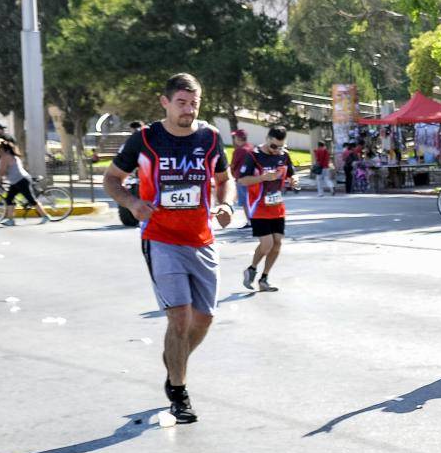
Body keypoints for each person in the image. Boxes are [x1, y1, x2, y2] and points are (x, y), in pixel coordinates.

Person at [104, 73, 234, 424]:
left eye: (194, 104)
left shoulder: (210, 137)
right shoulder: (145, 139)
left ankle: (175, 362)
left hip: (202, 239)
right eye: (181, 103)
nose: (188, 110)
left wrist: (226, 204)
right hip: (161, 238)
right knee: (179, 317)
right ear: (165, 102)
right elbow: (111, 179)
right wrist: (132, 202)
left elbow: (225, 180)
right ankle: (179, 392)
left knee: (204, 319)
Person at [236, 125, 298, 292]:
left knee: (277, 244)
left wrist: (294, 180)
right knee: (267, 244)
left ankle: (264, 279)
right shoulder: (253, 155)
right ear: (267, 139)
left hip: (277, 207)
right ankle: (252, 269)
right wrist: (262, 178)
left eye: (281, 147)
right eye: (274, 146)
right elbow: (242, 180)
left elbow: (292, 173)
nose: (277, 150)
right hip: (258, 207)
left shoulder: (284, 155)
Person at [0, 138, 43, 221]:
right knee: (9, 199)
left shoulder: (5, 157)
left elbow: (2, 171)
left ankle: (45, 216)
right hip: (16, 181)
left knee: (31, 200)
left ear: (1, 148)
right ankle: (10, 220)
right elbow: (6, 171)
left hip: (21, 180)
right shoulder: (10, 155)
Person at [229, 128, 254, 224]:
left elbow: (233, 165)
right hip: (253, 178)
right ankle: (256, 219)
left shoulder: (239, 151)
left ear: (239, 138)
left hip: (241, 179)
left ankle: (250, 221)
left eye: (235, 137)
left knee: (244, 201)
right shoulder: (251, 148)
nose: (234, 139)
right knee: (252, 199)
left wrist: (231, 175)